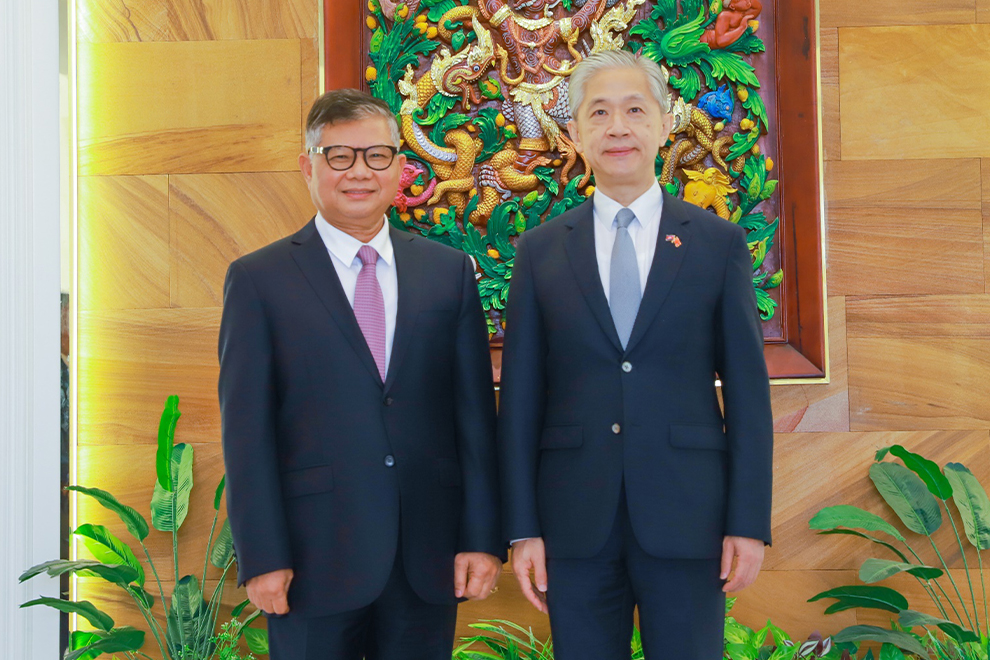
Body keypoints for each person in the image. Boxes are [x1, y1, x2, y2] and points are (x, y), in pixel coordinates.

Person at [497, 50, 773, 659]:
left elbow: (749, 396)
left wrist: (748, 522)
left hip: (690, 517)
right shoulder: (540, 250)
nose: (617, 127)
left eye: (634, 110)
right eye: (598, 113)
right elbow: (519, 401)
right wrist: (521, 528)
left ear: (665, 123)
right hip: (572, 521)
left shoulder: (718, 244)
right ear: (575, 133)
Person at [218, 88, 504, 660]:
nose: (359, 172)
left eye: (376, 155)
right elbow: (246, 432)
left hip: (427, 556)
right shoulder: (260, 280)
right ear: (308, 167)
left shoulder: (447, 273)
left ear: (399, 166)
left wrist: (481, 539)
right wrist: (263, 556)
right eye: (339, 156)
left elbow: (474, 419)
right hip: (311, 559)